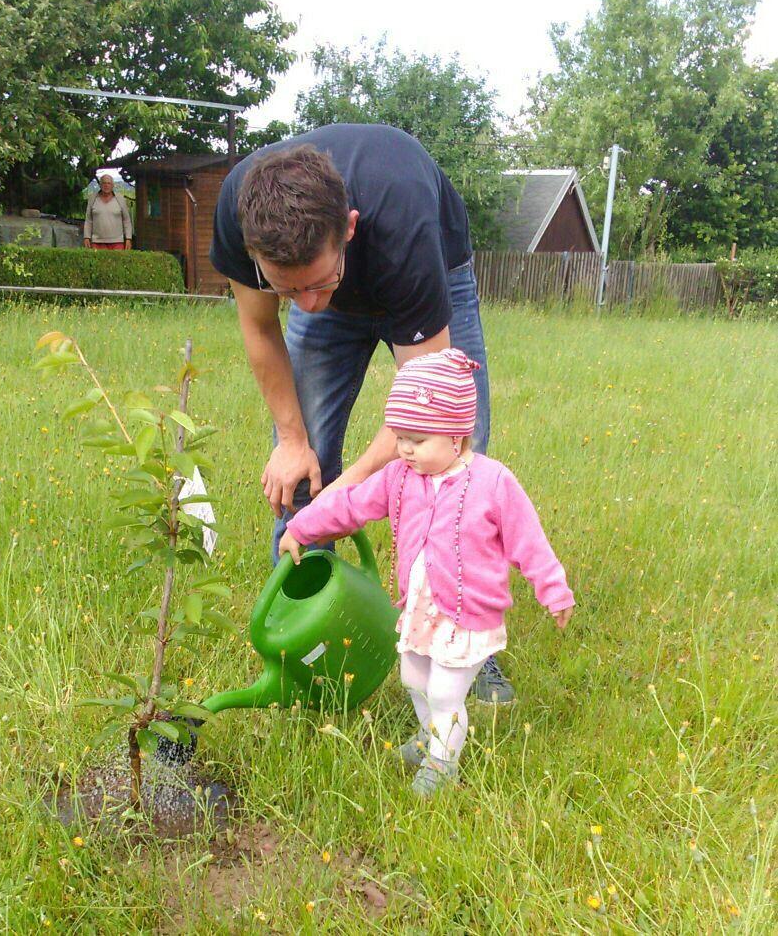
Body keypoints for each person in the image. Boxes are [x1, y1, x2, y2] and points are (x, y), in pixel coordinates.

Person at [210, 123, 516, 704]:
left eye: (320, 284)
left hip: (430, 271)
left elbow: (429, 412)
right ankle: (301, 640)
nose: (309, 307)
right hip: (334, 257)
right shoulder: (238, 210)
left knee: (451, 463)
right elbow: (258, 325)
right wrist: (292, 440)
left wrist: (349, 492)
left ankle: (462, 646)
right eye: (287, 290)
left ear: (348, 229)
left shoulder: (403, 226)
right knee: (302, 469)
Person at [279, 349, 575, 796]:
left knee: (445, 693)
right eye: (400, 437)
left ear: (456, 437)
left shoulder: (492, 483)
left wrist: (553, 589)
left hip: (468, 615)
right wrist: (301, 528)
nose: (405, 449)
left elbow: (527, 540)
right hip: (421, 607)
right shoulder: (399, 477)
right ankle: (430, 734)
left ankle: (443, 764)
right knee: (413, 677)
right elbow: (351, 505)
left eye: (418, 439)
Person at [83, 173, 133, 250]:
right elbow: (88, 220)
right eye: (104, 183)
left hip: (117, 242)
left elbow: (126, 220)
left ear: (112, 185)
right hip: (97, 242)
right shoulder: (92, 199)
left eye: (108, 183)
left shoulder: (120, 199)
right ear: (100, 185)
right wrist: (86, 237)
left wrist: (128, 238)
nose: (106, 185)